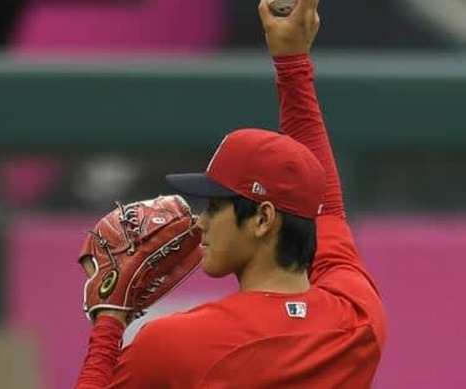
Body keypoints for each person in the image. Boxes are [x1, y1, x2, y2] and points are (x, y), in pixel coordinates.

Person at [74, 0, 387, 387]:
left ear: (263, 219)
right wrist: (292, 63)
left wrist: (109, 319)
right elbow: (324, 208)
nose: (201, 221)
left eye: (216, 206)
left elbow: (323, 207)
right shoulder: (358, 320)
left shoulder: (176, 346)